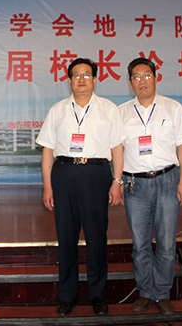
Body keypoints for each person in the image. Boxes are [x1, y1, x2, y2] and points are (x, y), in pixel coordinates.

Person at [36, 57, 125, 317]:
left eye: (87, 74)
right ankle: (68, 296)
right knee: (66, 238)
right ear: (69, 81)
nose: (81, 79)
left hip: (96, 174)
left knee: (96, 238)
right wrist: (47, 187)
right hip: (63, 174)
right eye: (76, 75)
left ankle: (98, 296)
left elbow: (117, 148)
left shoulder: (108, 109)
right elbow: (48, 151)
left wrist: (117, 181)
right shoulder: (58, 110)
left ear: (95, 80)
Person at [118, 57, 182, 315]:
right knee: (140, 244)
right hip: (134, 184)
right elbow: (117, 151)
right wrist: (118, 182)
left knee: (166, 242)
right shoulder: (121, 112)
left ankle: (162, 293)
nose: (142, 81)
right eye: (137, 77)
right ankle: (145, 292)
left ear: (155, 78)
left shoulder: (173, 108)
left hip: (167, 181)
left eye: (147, 75)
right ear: (130, 82)